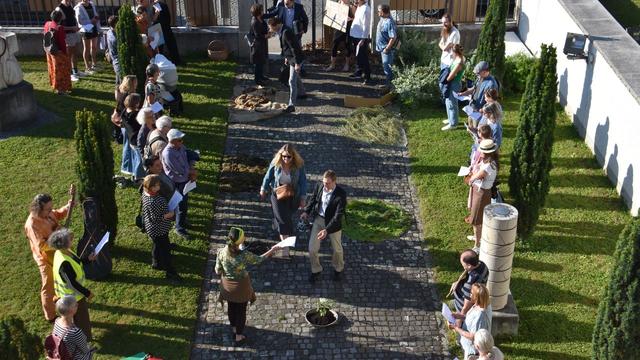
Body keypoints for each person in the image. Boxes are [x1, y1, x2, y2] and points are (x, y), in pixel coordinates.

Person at [215, 227, 281, 345]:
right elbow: (259, 259)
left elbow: (217, 271)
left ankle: (234, 329)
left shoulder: (221, 251)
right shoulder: (244, 255)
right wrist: (272, 250)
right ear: (239, 241)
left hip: (227, 287)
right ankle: (239, 336)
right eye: (243, 236)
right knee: (241, 310)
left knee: (231, 307)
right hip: (241, 287)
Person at [24, 191, 73, 322]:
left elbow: (56, 214)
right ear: (38, 209)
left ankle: (63, 297)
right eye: (48, 209)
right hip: (44, 257)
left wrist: (67, 207)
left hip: (56, 251)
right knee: (48, 284)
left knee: (63, 276)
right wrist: (59, 241)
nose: (50, 211)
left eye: (51, 207)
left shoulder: (48, 212)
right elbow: (42, 245)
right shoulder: (32, 224)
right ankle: (50, 315)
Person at [260, 144, 307, 258]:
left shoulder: (299, 166)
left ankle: (276, 222)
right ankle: (285, 249)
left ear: (293, 157)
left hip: (292, 196)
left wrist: (303, 198)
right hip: (277, 194)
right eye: (284, 156)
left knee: (285, 217)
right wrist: (263, 189)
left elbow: (303, 182)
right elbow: (268, 177)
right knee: (284, 221)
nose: (286, 159)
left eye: (288, 157)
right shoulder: (276, 164)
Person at [301, 170, 347, 283]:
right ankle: (316, 270)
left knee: (337, 249)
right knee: (312, 249)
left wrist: (327, 230)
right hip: (319, 220)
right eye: (324, 182)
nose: (325, 185)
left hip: (333, 224)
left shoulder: (341, 194)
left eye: (327, 183)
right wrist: (306, 211)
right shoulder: (320, 186)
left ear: (334, 182)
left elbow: (338, 216)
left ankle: (338, 269)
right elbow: (313, 199)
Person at [48, 228, 94, 340]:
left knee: (78, 318)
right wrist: (87, 293)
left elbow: (77, 261)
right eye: (69, 239)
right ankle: (85, 339)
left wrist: (88, 259)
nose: (72, 239)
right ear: (64, 244)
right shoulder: (64, 263)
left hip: (72, 294)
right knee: (82, 319)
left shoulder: (64, 251)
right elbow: (72, 284)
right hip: (72, 297)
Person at [142, 174, 182, 282]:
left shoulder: (145, 193)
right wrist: (168, 215)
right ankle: (170, 272)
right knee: (165, 251)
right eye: (157, 185)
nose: (159, 186)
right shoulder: (155, 200)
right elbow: (155, 218)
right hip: (159, 229)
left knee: (157, 245)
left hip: (152, 229)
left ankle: (156, 263)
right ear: (152, 187)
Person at [162, 129, 197, 239]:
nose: (182, 142)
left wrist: (191, 168)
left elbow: (187, 157)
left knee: (184, 204)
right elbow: (178, 170)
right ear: (172, 141)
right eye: (179, 140)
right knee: (180, 205)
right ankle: (179, 227)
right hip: (176, 183)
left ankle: (182, 221)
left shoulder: (180, 147)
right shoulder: (168, 154)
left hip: (184, 181)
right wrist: (192, 172)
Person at [465, 139, 498, 249]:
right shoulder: (487, 161)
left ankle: (477, 245)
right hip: (479, 191)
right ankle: (477, 237)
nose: (481, 153)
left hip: (481, 194)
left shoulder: (488, 165)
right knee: (477, 218)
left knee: (477, 220)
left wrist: (471, 176)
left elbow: (475, 177)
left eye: (482, 151)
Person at [268, 17, 306, 113]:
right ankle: (302, 93)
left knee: (291, 81)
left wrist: (297, 63)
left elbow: (294, 48)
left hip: (295, 59)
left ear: (276, 25)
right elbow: (287, 47)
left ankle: (291, 105)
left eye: (271, 27)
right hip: (291, 58)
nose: (270, 29)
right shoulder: (282, 30)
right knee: (296, 77)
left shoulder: (286, 32)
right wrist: (286, 57)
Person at [449, 284, 493, 359]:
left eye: (472, 293)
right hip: (468, 346)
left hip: (473, 350)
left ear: (477, 297)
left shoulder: (480, 315)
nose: (470, 294)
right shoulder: (479, 304)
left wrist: (456, 328)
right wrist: (459, 316)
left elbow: (473, 336)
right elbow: (471, 319)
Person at [449, 249, 489, 316]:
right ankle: (455, 303)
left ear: (469, 266)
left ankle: (457, 304)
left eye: (463, 264)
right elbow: (467, 272)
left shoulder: (470, 283)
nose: (462, 265)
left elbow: (467, 305)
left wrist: (460, 318)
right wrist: (457, 282)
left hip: (462, 303)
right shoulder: (481, 264)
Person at [116, 93, 145, 182]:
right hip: (137, 140)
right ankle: (138, 177)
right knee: (140, 159)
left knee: (135, 157)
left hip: (130, 139)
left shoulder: (124, 112)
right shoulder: (136, 114)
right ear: (136, 104)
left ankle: (134, 173)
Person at [44, 9, 72, 95]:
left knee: (52, 68)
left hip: (49, 50)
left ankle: (54, 85)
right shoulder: (59, 28)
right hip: (58, 52)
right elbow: (62, 42)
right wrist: (65, 53)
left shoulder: (47, 24)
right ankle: (61, 90)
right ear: (60, 19)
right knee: (61, 71)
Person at [441, 44, 466, 131]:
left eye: (452, 51)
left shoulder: (459, 62)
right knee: (448, 101)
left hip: (454, 84)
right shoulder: (459, 58)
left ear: (455, 52)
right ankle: (451, 119)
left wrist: (444, 79)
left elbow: (450, 76)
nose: (451, 52)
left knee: (452, 103)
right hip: (453, 83)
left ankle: (453, 124)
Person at [326, 0, 354, 72]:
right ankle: (332, 65)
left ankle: (347, 65)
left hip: (348, 28)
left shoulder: (351, 6)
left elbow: (356, 18)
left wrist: (350, 19)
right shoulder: (338, 3)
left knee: (348, 45)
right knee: (334, 45)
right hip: (338, 28)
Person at [151, 0, 181, 65]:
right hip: (164, 26)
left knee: (160, 46)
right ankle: (176, 60)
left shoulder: (157, 4)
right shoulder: (162, 4)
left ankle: (160, 61)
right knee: (170, 44)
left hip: (159, 26)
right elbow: (168, 18)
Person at [57, 0, 81, 82]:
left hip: (74, 33)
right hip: (67, 35)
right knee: (68, 55)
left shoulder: (70, 6)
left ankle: (75, 71)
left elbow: (73, 18)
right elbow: (59, 26)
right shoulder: (59, 9)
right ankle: (69, 74)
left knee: (75, 53)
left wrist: (76, 27)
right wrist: (72, 28)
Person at [375, 4, 397, 92]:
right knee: (386, 68)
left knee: (388, 69)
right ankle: (388, 85)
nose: (378, 12)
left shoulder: (389, 22)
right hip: (382, 49)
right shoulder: (382, 19)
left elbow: (393, 37)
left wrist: (387, 48)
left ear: (384, 12)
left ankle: (390, 88)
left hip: (387, 50)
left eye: (379, 11)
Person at [349, 0, 372, 85]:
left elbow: (366, 26)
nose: (355, 0)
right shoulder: (359, 7)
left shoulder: (366, 9)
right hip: (355, 34)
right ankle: (358, 71)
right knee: (358, 55)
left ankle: (367, 76)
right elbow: (357, 18)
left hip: (361, 37)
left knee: (363, 57)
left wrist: (363, 39)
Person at [74, 0, 100, 74]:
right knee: (87, 48)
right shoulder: (78, 7)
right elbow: (79, 21)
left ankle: (94, 64)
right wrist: (91, 21)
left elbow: (95, 14)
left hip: (94, 27)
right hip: (85, 29)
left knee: (94, 47)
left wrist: (96, 18)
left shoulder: (91, 4)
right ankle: (87, 67)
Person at [250, 3, 269, 86]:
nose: (263, 11)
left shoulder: (260, 18)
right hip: (257, 45)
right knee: (258, 62)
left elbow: (264, 28)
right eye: (261, 9)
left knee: (262, 61)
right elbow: (257, 35)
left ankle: (261, 76)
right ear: (258, 11)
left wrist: (268, 31)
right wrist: (266, 35)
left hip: (262, 43)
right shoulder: (255, 22)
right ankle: (257, 80)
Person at [105, 15, 121, 85]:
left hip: (113, 58)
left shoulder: (109, 31)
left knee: (118, 82)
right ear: (116, 24)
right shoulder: (115, 38)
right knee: (122, 82)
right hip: (117, 61)